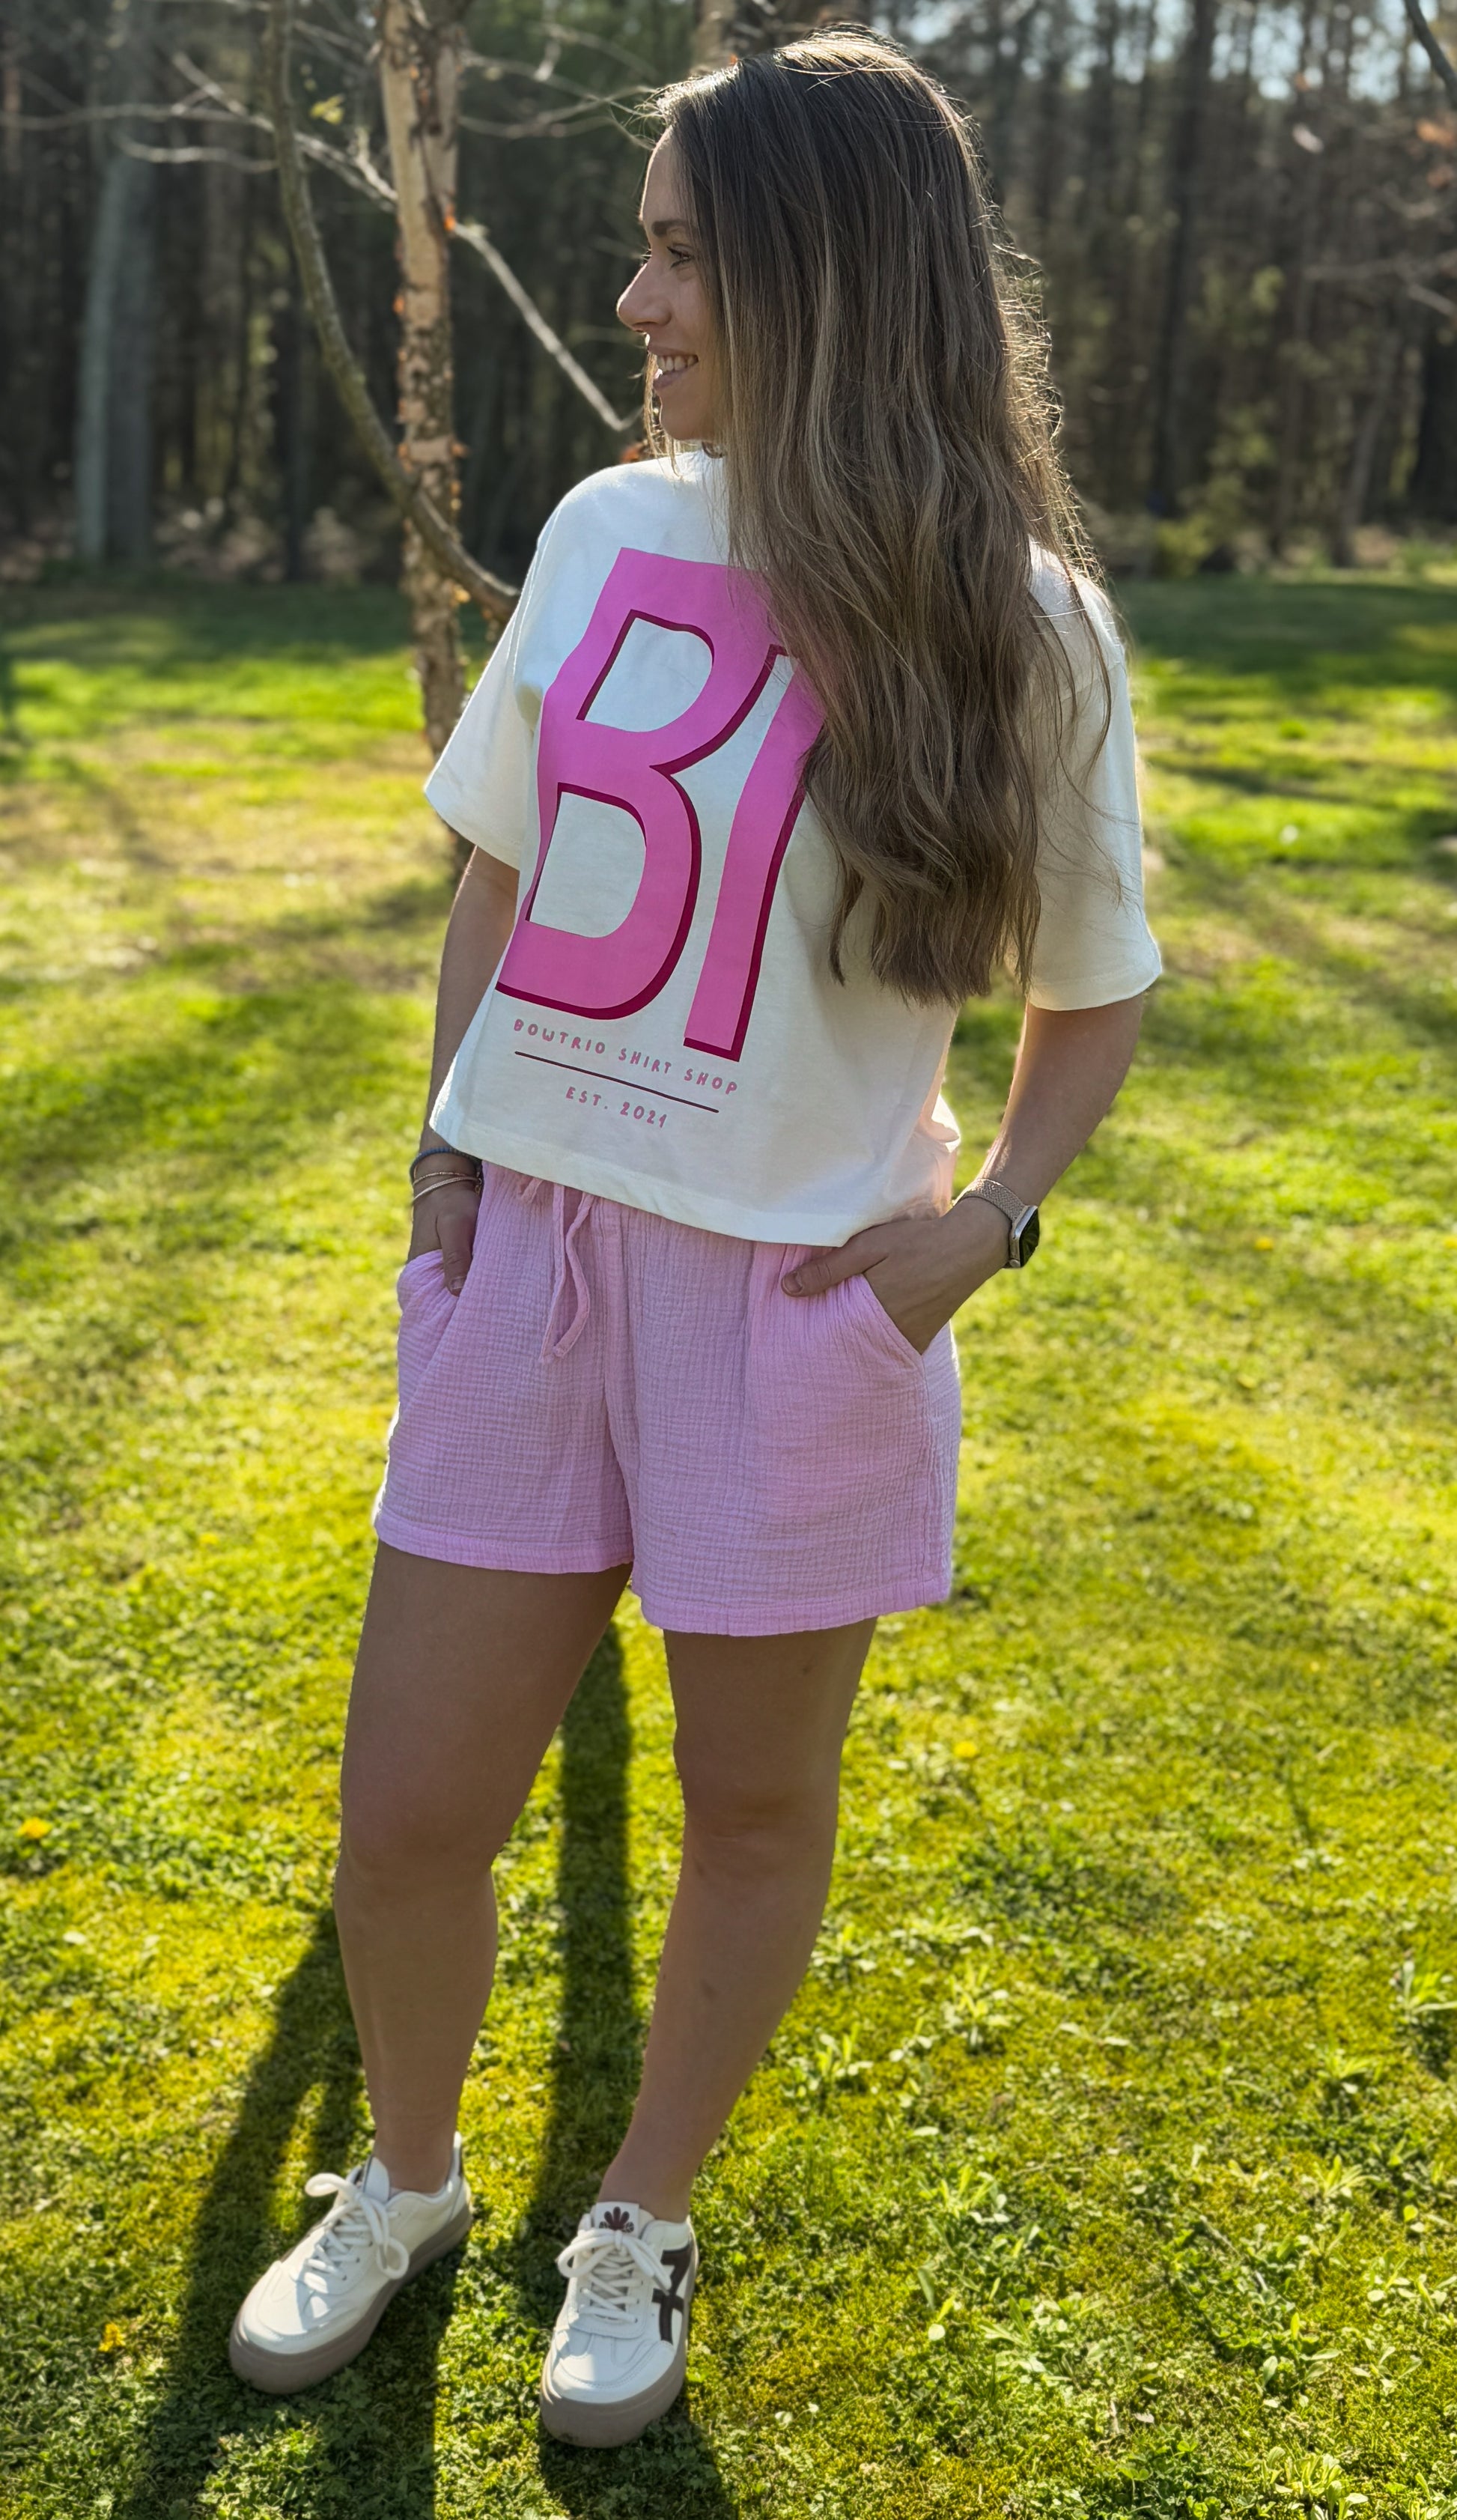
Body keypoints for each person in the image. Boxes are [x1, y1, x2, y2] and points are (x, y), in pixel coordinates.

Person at [227, 29, 1160, 2446]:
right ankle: (407, 2178)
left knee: (752, 1810)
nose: (631, 301)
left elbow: (1096, 989)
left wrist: (981, 1231)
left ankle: (634, 2217)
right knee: (407, 1812)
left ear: (818, 272)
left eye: (675, 255)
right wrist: (446, 1160)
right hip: (532, 1258)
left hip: (799, 1303)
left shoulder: (1023, 623)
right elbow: (504, 868)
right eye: (640, 249)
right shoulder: (602, 531)